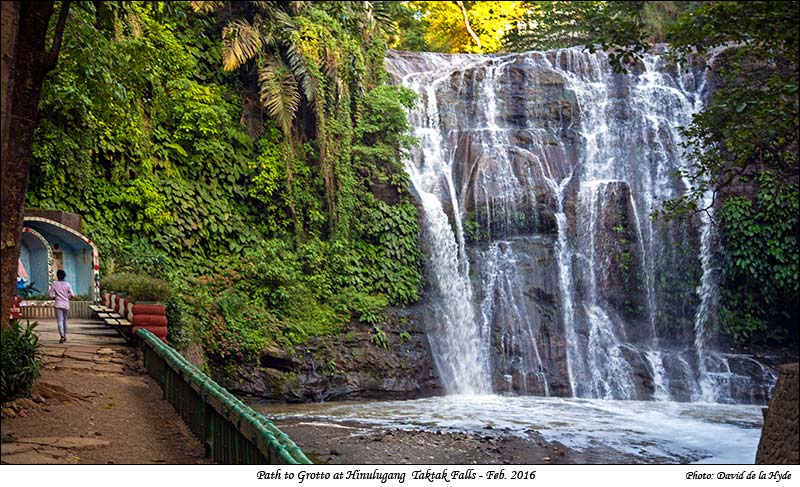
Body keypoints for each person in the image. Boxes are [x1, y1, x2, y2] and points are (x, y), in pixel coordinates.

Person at [49, 269, 75, 343]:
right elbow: (72, 295)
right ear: (64, 276)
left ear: (57, 276)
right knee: (65, 321)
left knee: (60, 321)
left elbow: (50, 295)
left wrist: (55, 297)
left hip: (58, 304)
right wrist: (67, 297)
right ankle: (65, 335)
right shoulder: (67, 284)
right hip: (66, 304)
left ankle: (62, 336)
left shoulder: (54, 284)